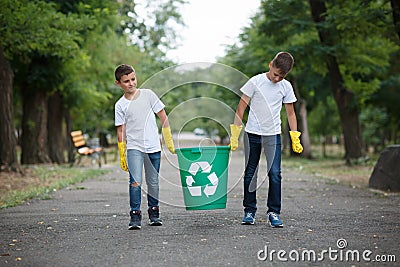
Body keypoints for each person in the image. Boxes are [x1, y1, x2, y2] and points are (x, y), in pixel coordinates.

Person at [229, 52, 303, 227]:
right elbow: (241, 109)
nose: (277, 79)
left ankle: (274, 212)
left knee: (275, 174)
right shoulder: (255, 82)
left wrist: (295, 135)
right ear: (270, 65)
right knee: (251, 173)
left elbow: (291, 113)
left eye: (281, 76)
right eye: (276, 74)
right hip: (252, 133)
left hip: (273, 134)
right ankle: (249, 210)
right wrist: (235, 133)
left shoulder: (286, 87)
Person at [114, 64, 175, 230]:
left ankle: (154, 213)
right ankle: (135, 215)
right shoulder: (120, 105)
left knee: (153, 182)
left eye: (133, 79)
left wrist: (167, 138)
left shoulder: (148, 95)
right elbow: (121, 130)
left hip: (153, 146)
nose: (131, 83)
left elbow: (163, 116)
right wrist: (122, 151)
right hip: (134, 147)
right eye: (126, 81)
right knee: (135, 182)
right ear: (118, 83)